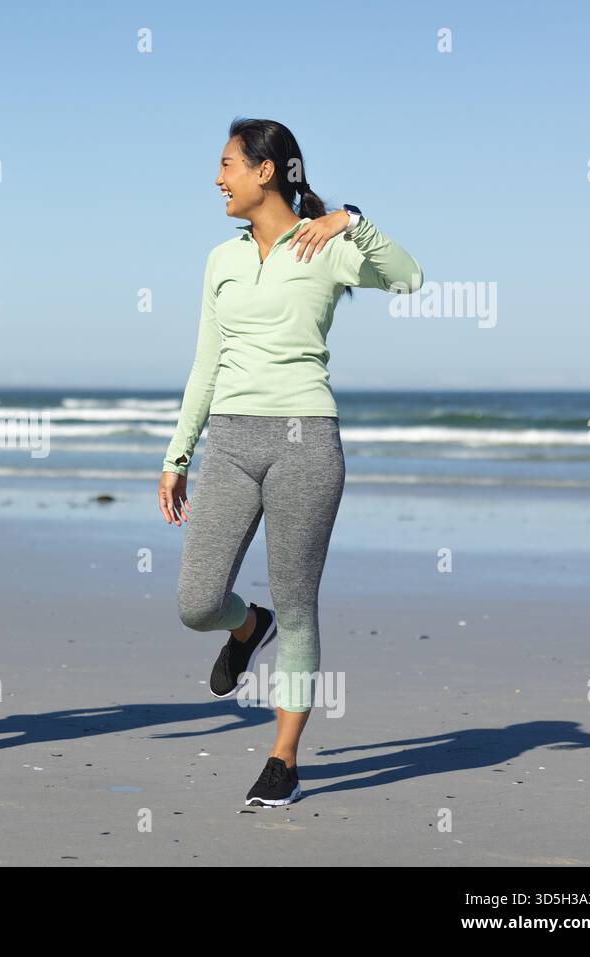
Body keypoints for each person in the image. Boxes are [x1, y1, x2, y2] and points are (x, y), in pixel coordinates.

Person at [158, 117, 422, 807]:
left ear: (265, 171)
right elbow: (206, 361)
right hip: (232, 441)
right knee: (195, 602)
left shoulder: (324, 245)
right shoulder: (221, 258)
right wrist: (177, 451)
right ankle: (249, 626)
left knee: (300, 604)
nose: (218, 178)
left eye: (227, 165)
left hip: (307, 439)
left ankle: (283, 757)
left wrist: (352, 221)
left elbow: (410, 279)